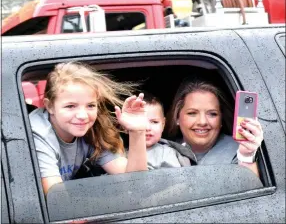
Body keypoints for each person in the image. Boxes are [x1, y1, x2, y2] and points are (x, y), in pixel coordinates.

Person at [29, 61, 148, 195]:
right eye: (70, 106)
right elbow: (57, 200)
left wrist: (137, 132)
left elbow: (135, 184)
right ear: (50, 106)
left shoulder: (93, 128)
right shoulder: (37, 134)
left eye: (90, 105)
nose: (82, 115)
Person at [167, 79, 264, 176]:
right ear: (177, 118)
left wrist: (246, 156)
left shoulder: (238, 150)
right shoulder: (164, 151)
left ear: (221, 120)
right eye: (192, 113)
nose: (202, 122)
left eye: (212, 114)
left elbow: (251, 187)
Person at [143, 92, 195, 169]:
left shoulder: (167, 153)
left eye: (154, 122)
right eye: (141, 122)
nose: (148, 128)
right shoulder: (123, 154)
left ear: (163, 124)